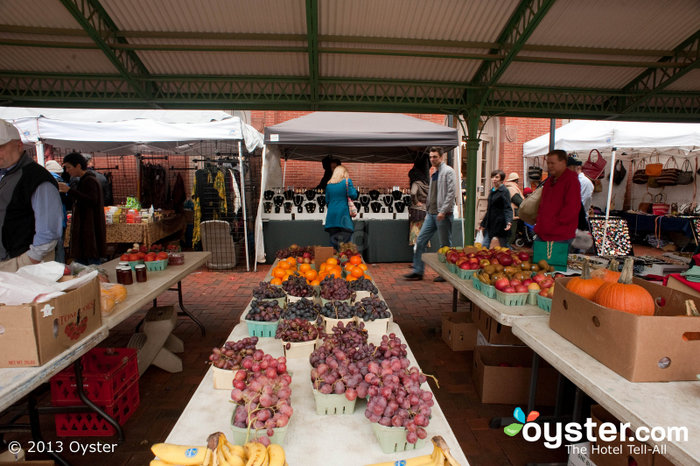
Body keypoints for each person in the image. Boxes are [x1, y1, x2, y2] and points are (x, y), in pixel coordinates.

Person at [0, 120, 63, 272]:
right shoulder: (4, 174)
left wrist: (29, 260)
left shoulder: (37, 178)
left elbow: (49, 231)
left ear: (18, 145)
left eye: (0, 147)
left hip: (20, 262)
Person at [404, 147, 457, 281]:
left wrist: (443, 211)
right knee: (420, 241)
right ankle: (418, 270)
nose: (432, 159)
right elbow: (432, 195)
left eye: (435, 157)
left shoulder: (448, 172)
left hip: (443, 214)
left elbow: (451, 193)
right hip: (431, 214)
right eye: (431, 157)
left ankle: (445, 274)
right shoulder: (434, 173)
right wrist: (428, 211)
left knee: (445, 245)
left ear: (442, 157)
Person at [58, 152, 106, 265]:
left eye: (69, 167)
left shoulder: (90, 180)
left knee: (91, 263)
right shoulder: (84, 180)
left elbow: (91, 200)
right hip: (86, 230)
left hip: (89, 230)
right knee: (84, 262)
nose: (67, 171)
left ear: (78, 166)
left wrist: (69, 190)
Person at [534, 150, 581, 245]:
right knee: (536, 259)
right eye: (548, 163)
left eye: (552, 163)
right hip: (543, 233)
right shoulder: (549, 181)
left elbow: (572, 208)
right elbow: (543, 205)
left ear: (563, 162)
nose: (550, 166)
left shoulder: (571, 181)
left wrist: (554, 224)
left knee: (554, 260)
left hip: (560, 235)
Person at [323, 164, 358, 250]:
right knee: (347, 244)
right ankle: (345, 261)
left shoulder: (329, 185)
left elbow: (327, 200)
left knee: (333, 243)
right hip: (343, 215)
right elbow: (353, 195)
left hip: (332, 217)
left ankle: (333, 261)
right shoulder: (347, 181)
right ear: (344, 173)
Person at [478, 170, 513, 249]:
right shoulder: (492, 191)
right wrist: (483, 223)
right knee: (485, 245)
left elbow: (507, 208)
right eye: (493, 177)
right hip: (490, 223)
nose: (494, 179)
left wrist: (509, 222)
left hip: (500, 223)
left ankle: (513, 258)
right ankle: (484, 257)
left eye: (496, 177)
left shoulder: (504, 191)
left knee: (504, 245)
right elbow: (489, 209)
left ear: (501, 179)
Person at [45, 160, 68, 264]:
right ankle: (60, 268)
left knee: (49, 250)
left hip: (49, 220)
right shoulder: (62, 183)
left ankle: (54, 269)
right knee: (59, 247)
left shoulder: (44, 182)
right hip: (60, 219)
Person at [408, 154, 429, 246]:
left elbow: (413, 193)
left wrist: (416, 202)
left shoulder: (416, 184)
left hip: (416, 210)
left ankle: (417, 253)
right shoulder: (426, 184)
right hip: (425, 210)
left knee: (415, 233)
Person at [504, 172, 524, 246]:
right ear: (515, 180)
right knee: (511, 235)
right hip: (512, 215)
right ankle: (506, 248)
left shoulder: (508, 188)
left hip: (509, 214)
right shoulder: (512, 189)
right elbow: (519, 201)